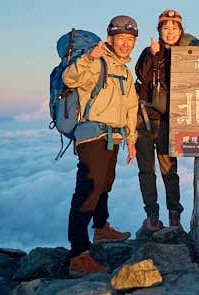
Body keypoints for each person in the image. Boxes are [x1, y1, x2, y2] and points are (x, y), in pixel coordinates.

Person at [61, 15, 139, 277]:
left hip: (113, 137)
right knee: (87, 191)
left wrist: (131, 140)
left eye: (130, 40)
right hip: (92, 136)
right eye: (121, 39)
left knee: (105, 184)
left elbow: (131, 107)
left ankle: (101, 228)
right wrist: (89, 58)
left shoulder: (125, 72)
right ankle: (78, 255)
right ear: (110, 39)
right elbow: (69, 79)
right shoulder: (97, 64)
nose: (126, 44)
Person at [134, 9, 199, 234]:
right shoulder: (148, 52)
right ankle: (152, 215)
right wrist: (153, 55)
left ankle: (174, 215)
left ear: (181, 31)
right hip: (143, 118)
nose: (170, 31)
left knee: (169, 170)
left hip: (167, 121)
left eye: (174, 28)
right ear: (159, 31)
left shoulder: (184, 54)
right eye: (165, 28)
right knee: (146, 170)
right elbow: (142, 76)